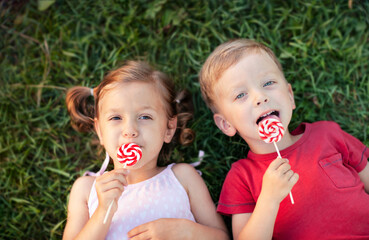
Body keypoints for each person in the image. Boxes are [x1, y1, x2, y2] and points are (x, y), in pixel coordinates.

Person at [199, 39, 369, 239]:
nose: (260, 97)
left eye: (268, 83)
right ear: (226, 124)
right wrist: (269, 199)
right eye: (241, 95)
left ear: (290, 96)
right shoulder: (242, 177)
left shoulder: (328, 135)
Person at [63, 61, 229, 240]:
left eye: (144, 117)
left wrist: (187, 231)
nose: (130, 130)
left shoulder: (183, 177)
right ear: (100, 131)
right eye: (116, 117)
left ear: (169, 128)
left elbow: (222, 237)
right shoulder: (87, 190)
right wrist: (103, 210)